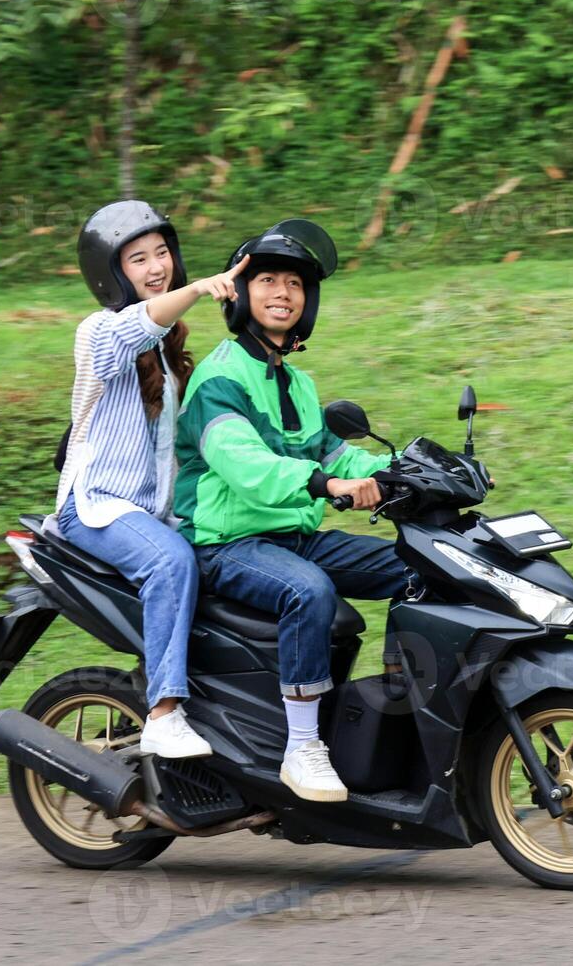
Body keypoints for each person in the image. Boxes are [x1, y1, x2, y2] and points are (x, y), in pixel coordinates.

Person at [173, 219, 413, 802]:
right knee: (308, 592)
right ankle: (301, 748)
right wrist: (325, 484)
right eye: (269, 281)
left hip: (291, 536)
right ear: (242, 294)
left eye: (295, 285)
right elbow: (249, 470)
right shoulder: (218, 378)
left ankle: (402, 705)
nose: (283, 293)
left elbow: (335, 452)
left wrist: (410, 467)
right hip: (224, 543)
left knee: (418, 567)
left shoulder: (298, 382)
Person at [56, 199, 251, 758]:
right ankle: (165, 713)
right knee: (170, 562)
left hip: (155, 514)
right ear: (112, 273)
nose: (156, 266)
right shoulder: (98, 331)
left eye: (162, 253)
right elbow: (130, 333)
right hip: (96, 507)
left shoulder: (168, 354)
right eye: (137, 259)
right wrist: (198, 289)